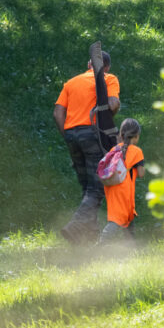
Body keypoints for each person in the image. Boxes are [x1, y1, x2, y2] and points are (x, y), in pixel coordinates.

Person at [54, 50, 120, 244]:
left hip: (72, 136)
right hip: (92, 134)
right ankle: (75, 226)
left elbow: (57, 113)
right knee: (98, 187)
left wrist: (67, 136)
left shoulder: (71, 83)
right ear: (105, 67)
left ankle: (88, 235)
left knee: (87, 186)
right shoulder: (109, 78)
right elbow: (113, 104)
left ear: (88, 64)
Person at [98, 118, 145, 244]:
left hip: (111, 187)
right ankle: (99, 247)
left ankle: (130, 247)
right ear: (136, 136)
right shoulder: (137, 151)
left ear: (121, 134)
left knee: (127, 217)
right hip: (123, 190)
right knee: (117, 220)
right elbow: (141, 174)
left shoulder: (115, 149)